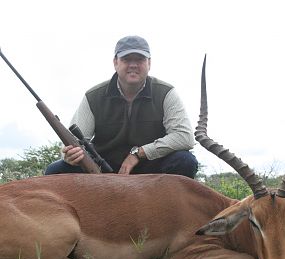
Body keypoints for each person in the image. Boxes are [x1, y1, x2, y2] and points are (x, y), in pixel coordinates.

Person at [45, 35, 198, 178]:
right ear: (115, 62)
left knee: (185, 161)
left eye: (140, 59)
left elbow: (185, 137)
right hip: (103, 170)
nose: (133, 65)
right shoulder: (93, 96)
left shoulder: (166, 93)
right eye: (126, 59)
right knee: (55, 171)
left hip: (150, 168)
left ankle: (166, 207)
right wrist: (70, 155)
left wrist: (138, 154)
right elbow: (73, 142)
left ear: (149, 63)